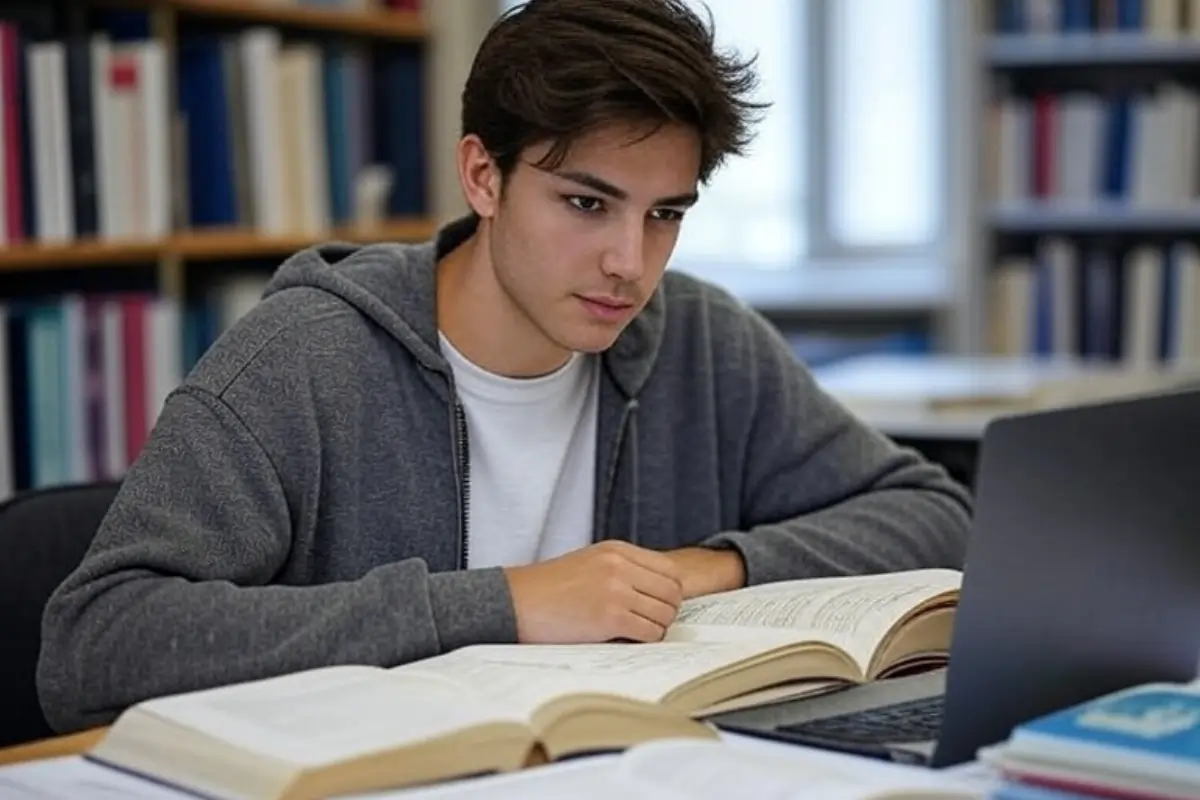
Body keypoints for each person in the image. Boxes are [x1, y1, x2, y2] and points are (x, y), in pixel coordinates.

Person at [37, 0, 971, 734]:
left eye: (663, 214)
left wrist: (700, 570)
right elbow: (96, 645)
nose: (630, 263)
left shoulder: (699, 339)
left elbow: (937, 517)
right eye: (585, 202)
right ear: (482, 177)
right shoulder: (303, 360)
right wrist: (504, 604)